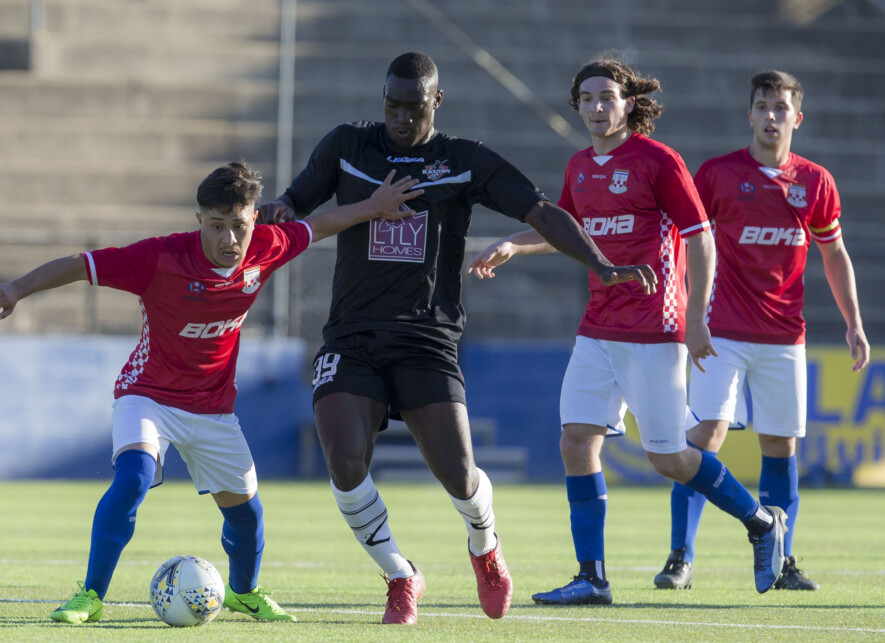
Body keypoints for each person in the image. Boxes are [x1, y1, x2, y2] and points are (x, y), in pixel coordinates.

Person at [257, 51, 655, 625]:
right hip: (352, 335)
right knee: (344, 463)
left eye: (412, 107)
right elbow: (295, 204)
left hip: (427, 339)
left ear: (435, 102)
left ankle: (485, 546)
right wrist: (273, 212)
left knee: (461, 476)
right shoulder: (347, 145)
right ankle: (400, 575)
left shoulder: (463, 161)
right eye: (390, 105)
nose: (398, 116)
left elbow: (542, 213)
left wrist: (603, 265)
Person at [0, 161, 424, 624]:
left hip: (213, 409)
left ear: (255, 220)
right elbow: (82, 265)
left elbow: (316, 225)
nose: (229, 240)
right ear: (199, 222)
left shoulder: (267, 247)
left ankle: (244, 591)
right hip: (148, 396)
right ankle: (90, 596)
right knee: (132, 479)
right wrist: (18, 287)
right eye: (217, 226)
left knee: (247, 517)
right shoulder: (160, 257)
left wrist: (372, 208)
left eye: (238, 226)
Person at [467, 58, 789, 605]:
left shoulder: (659, 162)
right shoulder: (579, 167)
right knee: (576, 441)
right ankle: (592, 578)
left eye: (608, 97)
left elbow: (701, 238)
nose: (597, 107)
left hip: (654, 330)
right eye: (587, 98)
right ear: (577, 105)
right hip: (597, 328)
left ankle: (762, 523)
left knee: (668, 459)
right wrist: (515, 245)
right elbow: (565, 231)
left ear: (629, 103)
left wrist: (695, 320)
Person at [652, 70, 869, 592]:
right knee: (705, 440)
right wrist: (690, 314)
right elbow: (687, 242)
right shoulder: (718, 175)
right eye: (762, 106)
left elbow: (834, 253)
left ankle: (782, 558)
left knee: (781, 447)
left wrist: (854, 323)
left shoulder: (815, 182)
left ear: (798, 117)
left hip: (784, 337)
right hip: (720, 333)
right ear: (749, 114)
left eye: (781, 108)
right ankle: (680, 556)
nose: (771, 116)